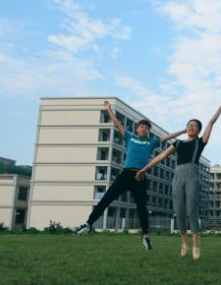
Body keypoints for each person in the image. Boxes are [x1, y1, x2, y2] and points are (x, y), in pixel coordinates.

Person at [74, 100, 185, 250]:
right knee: (106, 199)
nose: (144, 129)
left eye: (146, 128)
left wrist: (183, 131)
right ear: (137, 129)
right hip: (126, 174)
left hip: (140, 176)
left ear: (148, 131)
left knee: (142, 207)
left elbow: (167, 137)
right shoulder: (129, 137)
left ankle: (145, 236)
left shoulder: (152, 142)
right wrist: (109, 109)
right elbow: (118, 124)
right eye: (142, 127)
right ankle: (88, 224)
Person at [135, 102, 221, 260]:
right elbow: (162, 156)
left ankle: (196, 245)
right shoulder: (178, 143)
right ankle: (184, 243)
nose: (191, 127)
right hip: (178, 176)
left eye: (194, 125)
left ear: (198, 130)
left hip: (192, 175)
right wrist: (145, 169)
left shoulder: (200, 142)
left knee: (192, 210)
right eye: (189, 125)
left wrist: (219, 109)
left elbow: (211, 122)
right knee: (179, 211)